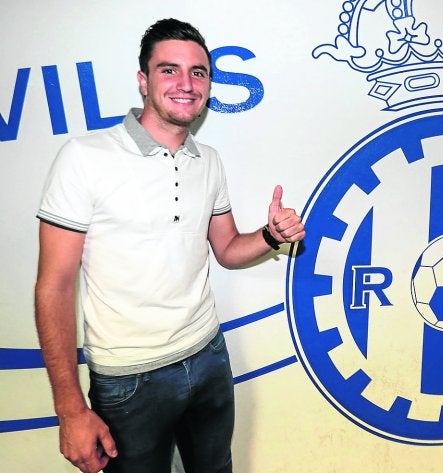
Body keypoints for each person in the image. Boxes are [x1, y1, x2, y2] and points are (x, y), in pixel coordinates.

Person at [34, 18, 305, 473]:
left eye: (198, 72)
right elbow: (54, 286)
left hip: (208, 357)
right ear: (143, 81)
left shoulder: (209, 161)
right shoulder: (84, 158)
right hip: (128, 379)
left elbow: (227, 249)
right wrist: (69, 408)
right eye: (169, 70)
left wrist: (270, 236)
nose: (186, 83)